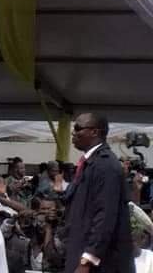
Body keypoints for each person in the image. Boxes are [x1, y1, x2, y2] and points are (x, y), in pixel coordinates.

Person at [62, 112, 133, 273]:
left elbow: (105, 215)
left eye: (78, 128)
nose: (73, 133)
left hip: (99, 264)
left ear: (94, 132)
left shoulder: (106, 166)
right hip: (79, 249)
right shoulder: (91, 163)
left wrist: (87, 259)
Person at [29, 198, 65, 272]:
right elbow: (23, 211)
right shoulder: (35, 225)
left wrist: (49, 227)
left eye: (49, 209)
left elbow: (50, 256)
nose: (46, 212)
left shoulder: (62, 230)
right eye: (43, 209)